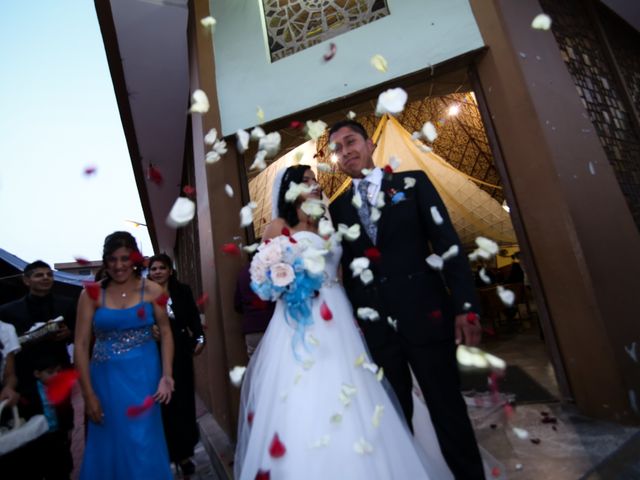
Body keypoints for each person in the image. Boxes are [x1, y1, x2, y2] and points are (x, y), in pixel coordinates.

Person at [234, 165, 450, 479]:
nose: (315, 184)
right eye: (307, 180)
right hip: (301, 319)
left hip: (339, 314)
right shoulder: (277, 226)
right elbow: (265, 277)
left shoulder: (326, 223)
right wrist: (287, 284)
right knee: (308, 389)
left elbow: (341, 273)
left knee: (356, 387)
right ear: (292, 189)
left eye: (314, 179)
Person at [328, 120, 485, 479]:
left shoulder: (412, 184)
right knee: (394, 419)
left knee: (448, 411)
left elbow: (447, 246)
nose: (345, 152)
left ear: (369, 144)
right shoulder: (337, 210)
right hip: (377, 331)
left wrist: (466, 307)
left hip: (425, 315)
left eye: (350, 142)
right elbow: (349, 272)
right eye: (337, 149)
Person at [74, 231, 174, 479]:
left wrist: (167, 376)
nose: (119, 266)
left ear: (135, 259)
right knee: (110, 440)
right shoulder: (90, 294)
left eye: (125, 258)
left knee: (143, 440)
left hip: (145, 377)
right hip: (105, 380)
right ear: (105, 261)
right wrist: (88, 395)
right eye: (112, 259)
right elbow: (81, 343)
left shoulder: (152, 290)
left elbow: (166, 332)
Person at [0, 260, 76, 474]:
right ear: (26, 280)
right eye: (38, 275)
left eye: (48, 274)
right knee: (34, 429)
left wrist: (69, 333)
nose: (45, 278)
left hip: (58, 373)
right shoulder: (8, 312)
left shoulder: (67, 304)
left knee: (63, 428)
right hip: (27, 378)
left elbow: (80, 333)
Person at [147, 253, 205, 476]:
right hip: (154, 354)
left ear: (170, 270)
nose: (158, 272)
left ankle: (184, 454)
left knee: (183, 402)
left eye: (162, 268)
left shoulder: (183, 291)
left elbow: (193, 319)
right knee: (163, 404)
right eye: (154, 269)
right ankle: (166, 454)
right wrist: (147, 331)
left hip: (181, 351)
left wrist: (199, 339)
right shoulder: (142, 294)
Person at [234, 260, 275, 357]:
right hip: (272, 325)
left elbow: (237, 305)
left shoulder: (243, 273)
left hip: (252, 328)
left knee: (256, 367)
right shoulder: (275, 269)